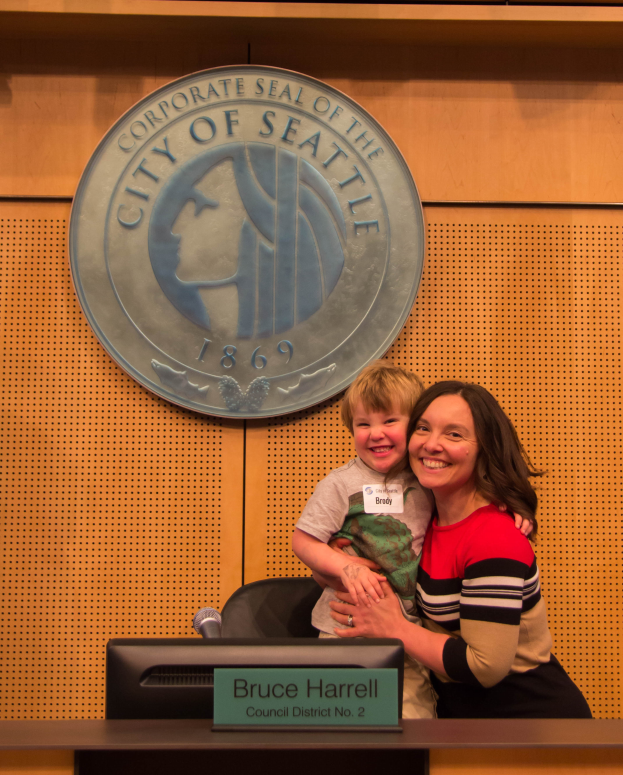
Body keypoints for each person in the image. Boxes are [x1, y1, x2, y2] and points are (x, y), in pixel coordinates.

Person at [329, 381, 592, 719]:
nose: (432, 444)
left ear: (485, 449)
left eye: (454, 435)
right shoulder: (426, 518)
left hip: (528, 725)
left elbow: (485, 666)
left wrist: (395, 628)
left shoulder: (495, 537)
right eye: (423, 428)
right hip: (459, 720)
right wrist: (339, 558)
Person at [292, 361, 438, 718]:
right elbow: (303, 541)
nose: (376, 433)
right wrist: (344, 567)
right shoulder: (340, 484)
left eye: (389, 421)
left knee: (414, 725)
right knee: (338, 727)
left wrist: (511, 511)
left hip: (408, 636)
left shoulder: (430, 481)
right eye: (363, 424)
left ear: (416, 425)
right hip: (344, 631)